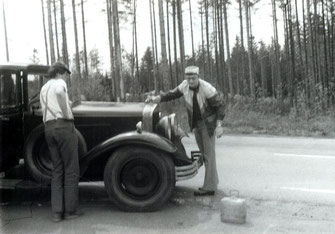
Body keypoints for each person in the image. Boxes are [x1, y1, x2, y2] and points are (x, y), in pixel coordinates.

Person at [146, 65, 225, 196]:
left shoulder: (207, 88)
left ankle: (209, 188)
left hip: (208, 124)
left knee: (208, 155)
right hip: (195, 123)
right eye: (188, 79)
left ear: (198, 77)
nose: (191, 82)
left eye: (193, 78)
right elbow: (171, 95)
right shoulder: (184, 86)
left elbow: (220, 106)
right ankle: (213, 182)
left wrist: (219, 125)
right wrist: (156, 99)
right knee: (205, 153)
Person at [40, 62, 82, 222]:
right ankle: (70, 211)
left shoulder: (44, 88)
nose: (66, 77)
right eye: (65, 73)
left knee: (57, 170)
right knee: (71, 168)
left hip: (48, 128)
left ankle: (57, 212)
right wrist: (67, 114)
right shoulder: (59, 83)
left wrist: (65, 105)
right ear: (60, 73)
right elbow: (59, 92)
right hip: (63, 127)